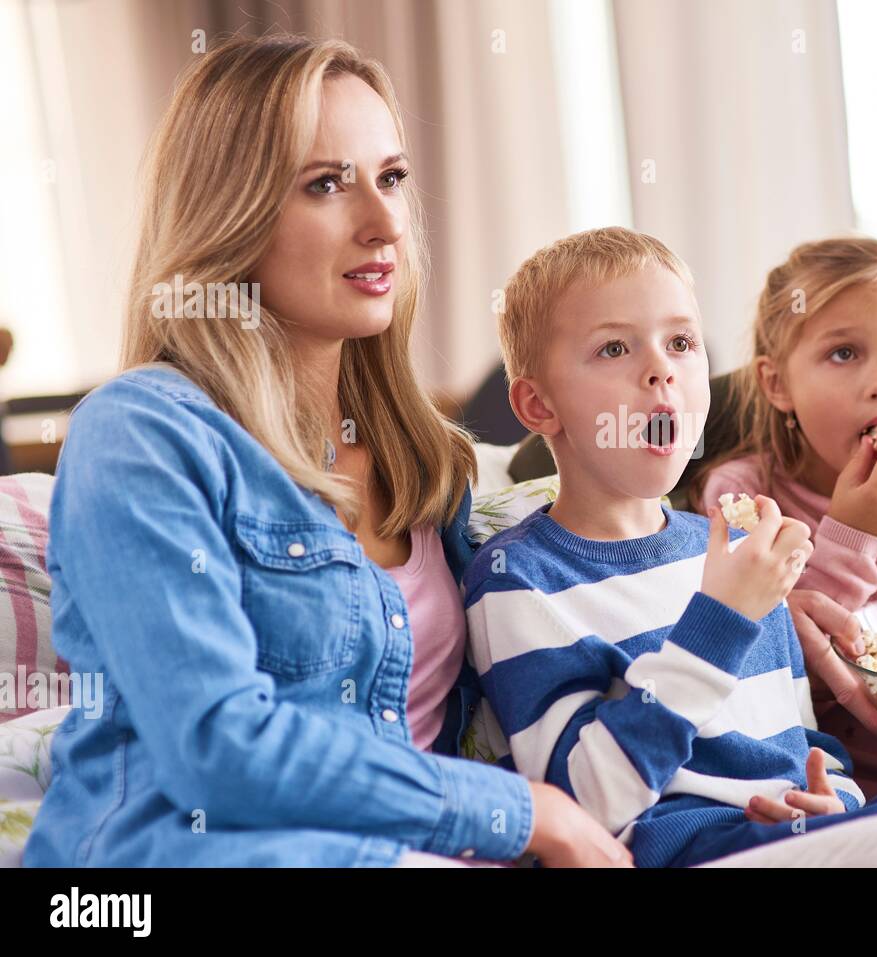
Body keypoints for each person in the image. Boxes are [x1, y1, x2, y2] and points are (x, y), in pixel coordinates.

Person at [23, 33, 629, 868]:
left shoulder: (428, 465)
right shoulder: (141, 433)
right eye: (325, 185)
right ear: (228, 213)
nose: (384, 224)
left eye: (391, 178)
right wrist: (519, 811)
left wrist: (738, 780)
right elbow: (216, 746)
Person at [463, 225, 877, 868]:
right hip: (684, 850)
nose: (661, 370)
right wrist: (721, 619)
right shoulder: (519, 577)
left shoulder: (733, 544)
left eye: (681, 342)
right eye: (615, 347)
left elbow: (802, 740)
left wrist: (834, 800)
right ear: (538, 405)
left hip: (792, 836)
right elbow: (577, 807)